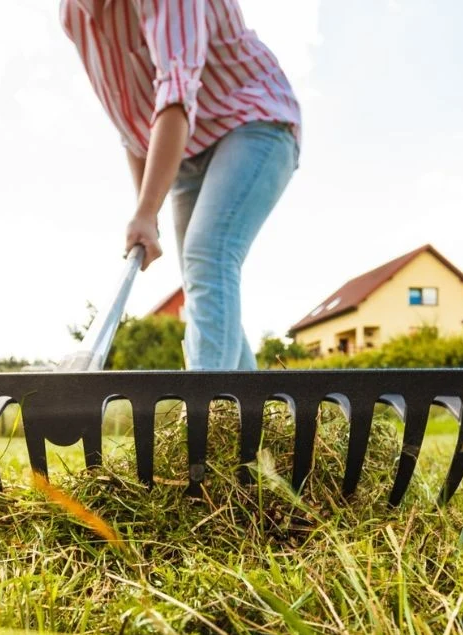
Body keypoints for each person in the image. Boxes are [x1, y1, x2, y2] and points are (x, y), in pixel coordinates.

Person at [62, 0, 301, 370]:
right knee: (203, 285)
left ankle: (206, 416)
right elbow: (130, 120)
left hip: (253, 117)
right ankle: (255, 420)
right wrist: (147, 211)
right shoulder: (74, 13)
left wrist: (146, 210)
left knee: (208, 255)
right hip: (186, 149)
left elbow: (175, 94)